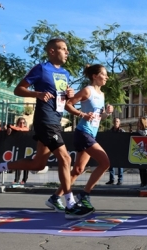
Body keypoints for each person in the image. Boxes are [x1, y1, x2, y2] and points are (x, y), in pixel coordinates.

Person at [0, 38, 92, 219]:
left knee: (38, 164)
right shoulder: (41, 69)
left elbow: (61, 98)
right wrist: (37, 93)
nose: (67, 52)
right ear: (51, 51)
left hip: (56, 120)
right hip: (45, 120)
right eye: (63, 49)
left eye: (67, 49)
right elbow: (18, 89)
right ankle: (70, 203)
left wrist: (68, 95)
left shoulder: (65, 73)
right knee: (65, 159)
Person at [52, 64, 114, 214]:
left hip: (91, 133)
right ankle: (84, 195)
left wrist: (107, 114)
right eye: (104, 74)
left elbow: (98, 117)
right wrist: (82, 115)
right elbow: (68, 104)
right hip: (83, 133)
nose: (107, 77)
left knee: (78, 170)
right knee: (105, 162)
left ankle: (55, 198)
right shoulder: (88, 90)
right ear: (95, 76)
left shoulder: (102, 94)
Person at [8, 117, 30, 184]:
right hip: (18, 148)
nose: (22, 124)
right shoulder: (15, 129)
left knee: (26, 164)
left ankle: (24, 180)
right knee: (18, 164)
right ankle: (16, 179)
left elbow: (21, 129)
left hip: (26, 148)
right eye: (20, 123)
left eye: (23, 123)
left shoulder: (26, 129)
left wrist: (11, 127)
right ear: (17, 123)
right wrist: (9, 128)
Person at [107, 117, 125, 185]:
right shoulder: (109, 131)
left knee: (120, 165)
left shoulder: (122, 131)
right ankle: (111, 180)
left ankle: (120, 180)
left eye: (117, 121)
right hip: (112, 150)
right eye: (115, 121)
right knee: (111, 165)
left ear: (119, 123)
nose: (116, 123)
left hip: (119, 150)